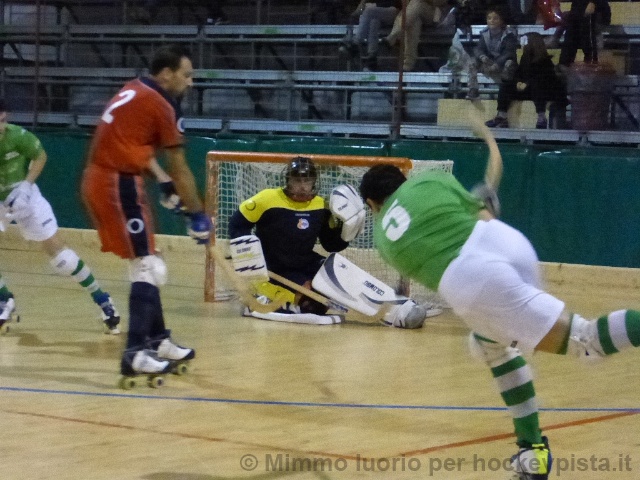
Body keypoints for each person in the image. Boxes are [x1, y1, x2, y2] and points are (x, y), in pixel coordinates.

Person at [359, 112, 640, 479]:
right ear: (404, 179)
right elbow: (483, 217)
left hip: (472, 279)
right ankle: (531, 450)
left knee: (586, 342)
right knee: (489, 343)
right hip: (507, 242)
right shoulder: (430, 179)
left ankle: (533, 450)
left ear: (373, 204)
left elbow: (435, 254)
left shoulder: (383, 239)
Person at [81, 44, 213, 378]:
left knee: (147, 262)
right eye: (187, 75)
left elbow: (134, 144)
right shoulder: (163, 104)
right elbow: (180, 166)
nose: (191, 82)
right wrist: (198, 215)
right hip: (117, 184)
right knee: (148, 266)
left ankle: (158, 340)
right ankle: (136, 353)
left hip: (104, 178)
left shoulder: (135, 88)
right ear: (167, 74)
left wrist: (163, 182)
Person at [228, 156, 438, 328]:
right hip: (276, 267)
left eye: (307, 181)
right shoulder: (266, 199)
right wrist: (247, 256)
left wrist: (348, 229)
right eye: (297, 181)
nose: (302, 187)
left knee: (341, 271)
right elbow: (237, 224)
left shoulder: (321, 205)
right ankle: (263, 299)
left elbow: (331, 245)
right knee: (313, 305)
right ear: (288, 180)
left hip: (305, 263)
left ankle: (398, 309)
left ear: (314, 182)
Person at [0, 100, 121, 334]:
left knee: (61, 257)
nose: (0, 127)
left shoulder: (18, 136)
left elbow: (40, 156)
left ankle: (103, 300)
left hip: (25, 197)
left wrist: (25, 186)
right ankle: (4, 299)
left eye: (2, 121)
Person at [485, 32, 568, 129]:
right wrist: (518, 82)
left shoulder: (545, 61)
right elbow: (518, 74)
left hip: (545, 91)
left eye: (525, 42)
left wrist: (527, 83)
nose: (522, 45)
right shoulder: (525, 58)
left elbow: (543, 79)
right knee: (506, 86)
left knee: (537, 84)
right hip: (530, 90)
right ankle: (501, 115)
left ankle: (541, 117)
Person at [382, 0, 451, 71]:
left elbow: (440, 2)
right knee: (414, 21)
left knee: (417, 4)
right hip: (413, 12)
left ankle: (393, 36)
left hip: (434, 13)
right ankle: (408, 65)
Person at [466, 6, 518, 100]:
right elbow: (478, 49)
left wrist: (497, 64)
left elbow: (509, 53)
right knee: (472, 61)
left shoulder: (509, 35)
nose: (492, 21)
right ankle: (473, 90)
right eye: (489, 18)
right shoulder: (484, 33)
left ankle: (507, 91)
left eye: (495, 18)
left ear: (501, 21)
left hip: (501, 65)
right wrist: (482, 57)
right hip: (488, 63)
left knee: (509, 63)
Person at [340, 0, 401, 71]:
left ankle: (355, 43)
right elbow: (359, 10)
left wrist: (375, 5)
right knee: (374, 22)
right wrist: (360, 10)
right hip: (377, 13)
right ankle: (372, 58)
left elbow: (394, 2)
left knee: (369, 11)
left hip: (396, 12)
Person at [558, 0, 610, 67]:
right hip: (581, 12)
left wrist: (593, 2)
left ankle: (591, 63)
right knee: (572, 32)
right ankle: (565, 64)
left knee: (585, 31)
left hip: (592, 12)